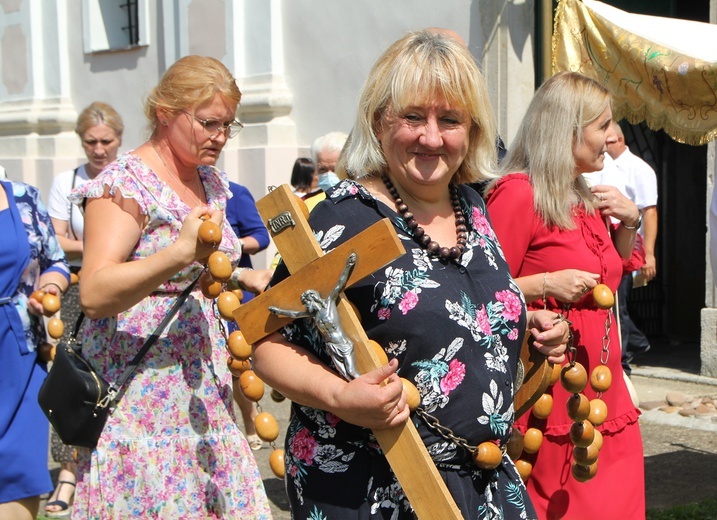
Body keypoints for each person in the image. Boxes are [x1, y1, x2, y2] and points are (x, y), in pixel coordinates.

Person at [252, 30, 570, 519]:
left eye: (450, 119)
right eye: (413, 117)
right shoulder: (342, 218)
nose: (431, 136)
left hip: (482, 481)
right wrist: (340, 395)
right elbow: (265, 340)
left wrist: (525, 328)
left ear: (473, 129)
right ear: (380, 122)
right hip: (375, 487)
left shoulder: (472, 207)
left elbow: (453, 314)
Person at [68, 55, 272, 518]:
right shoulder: (123, 183)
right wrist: (177, 254)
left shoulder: (211, 182)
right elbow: (95, 293)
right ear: (165, 113)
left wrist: (242, 275)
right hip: (141, 396)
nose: (220, 136)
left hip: (205, 385)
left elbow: (198, 275)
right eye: (209, 123)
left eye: (228, 125)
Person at [485, 72, 646, 519]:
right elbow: (477, 294)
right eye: (603, 125)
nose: (612, 136)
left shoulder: (582, 193)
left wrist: (630, 222)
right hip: (552, 400)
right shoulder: (518, 194)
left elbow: (608, 280)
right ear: (567, 131)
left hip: (606, 391)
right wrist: (544, 285)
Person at [44, 100, 124, 517]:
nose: (98, 149)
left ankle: (107, 466)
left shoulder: (129, 178)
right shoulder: (68, 181)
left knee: (113, 386)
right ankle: (67, 474)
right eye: (90, 141)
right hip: (77, 287)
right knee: (72, 379)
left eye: (105, 141)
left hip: (123, 289)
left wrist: (98, 246)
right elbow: (57, 241)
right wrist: (108, 244)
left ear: (119, 140)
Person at [0, 177, 70, 520]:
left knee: (19, 474)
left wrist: (52, 285)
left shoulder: (23, 197)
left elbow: (55, 260)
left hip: (20, 351)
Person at [607, 121, 658, 372]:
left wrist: (649, 254)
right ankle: (635, 342)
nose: (603, 147)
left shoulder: (638, 169)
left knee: (620, 303)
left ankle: (624, 359)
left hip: (626, 242)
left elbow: (649, 211)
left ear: (620, 141)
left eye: (608, 142)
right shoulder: (604, 166)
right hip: (606, 240)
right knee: (614, 303)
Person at [224, 180, 270, 451]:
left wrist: (232, 245)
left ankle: (249, 420)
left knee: (238, 365)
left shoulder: (236, 193)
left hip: (236, 291)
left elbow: (261, 236)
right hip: (197, 295)